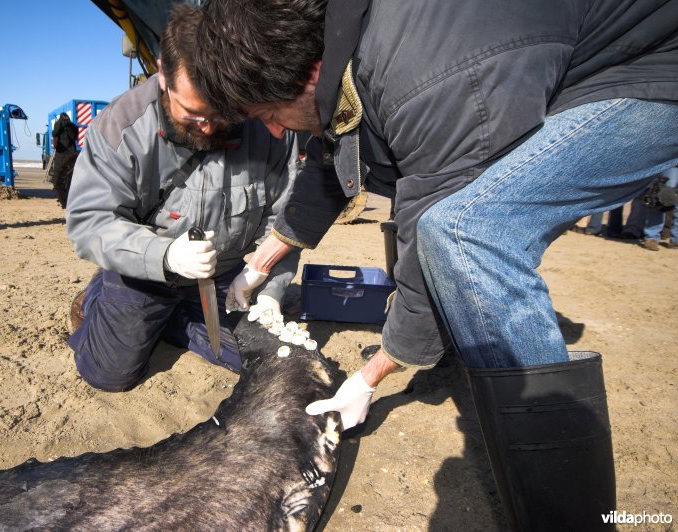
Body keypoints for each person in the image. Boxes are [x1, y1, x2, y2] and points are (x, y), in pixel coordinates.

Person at [193, 1, 678, 529]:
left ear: (306, 75)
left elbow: (436, 225)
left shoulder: (430, 76)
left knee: (468, 229)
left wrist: (370, 377)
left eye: (269, 114)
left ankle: (570, 514)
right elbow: (332, 158)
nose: (276, 130)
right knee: (431, 218)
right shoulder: (343, 49)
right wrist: (262, 263)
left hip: (651, 70)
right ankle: (450, 344)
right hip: (570, 63)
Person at [64, 4, 300, 393]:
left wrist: (269, 287)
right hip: (146, 273)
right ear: (163, 76)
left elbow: (285, 220)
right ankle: (100, 296)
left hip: (226, 274)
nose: (207, 126)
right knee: (109, 373)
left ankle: (174, 321)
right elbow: (90, 223)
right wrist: (166, 257)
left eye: (220, 112)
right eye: (192, 114)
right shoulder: (121, 128)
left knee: (266, 360)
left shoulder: (265, 123)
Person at [51, 112, 79, 208]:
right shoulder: (72, 126)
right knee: (70, 179)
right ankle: (68, 200)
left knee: (58, 179)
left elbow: (54, 133)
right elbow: (74, 137)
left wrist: (61, 123)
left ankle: (65, 202)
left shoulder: (59, 125)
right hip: (71, 155)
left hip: (62, 154)